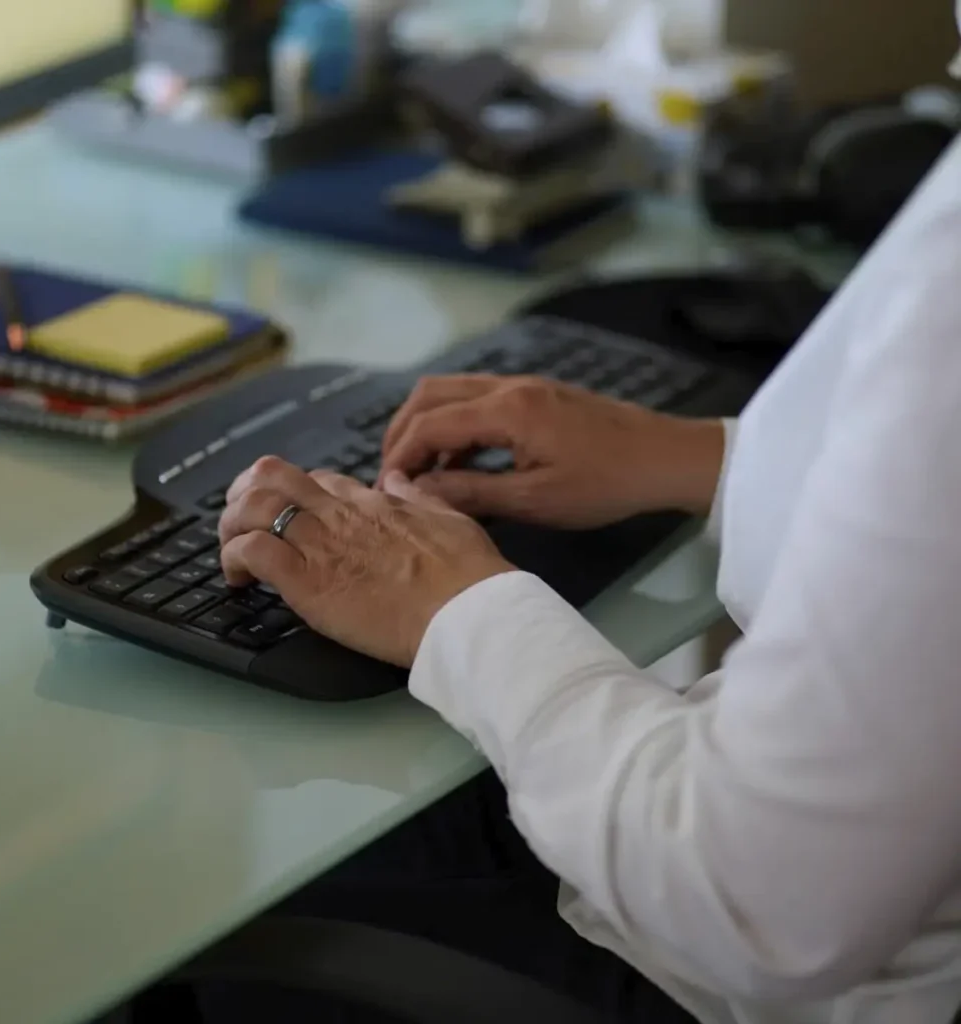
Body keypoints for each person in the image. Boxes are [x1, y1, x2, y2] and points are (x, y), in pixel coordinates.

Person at [205, 24, 961, 1024]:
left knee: (207, 907)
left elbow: (761, 902)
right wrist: (710, 459)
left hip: (756, 961)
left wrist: (456, 608)